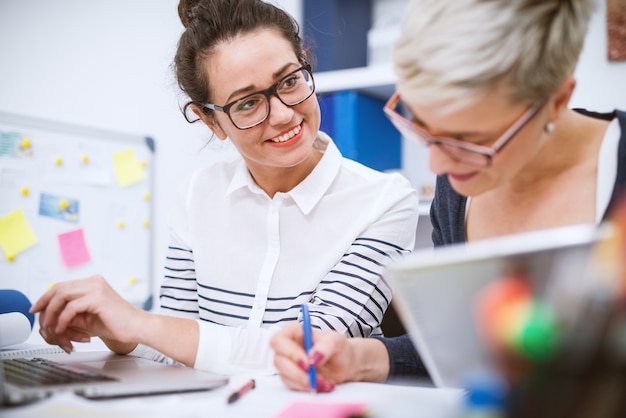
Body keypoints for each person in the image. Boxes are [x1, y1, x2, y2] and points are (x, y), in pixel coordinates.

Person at [30, 0, 419, 376]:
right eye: (248, 104)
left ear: (305, 63)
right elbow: (172, 350)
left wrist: (141, 324)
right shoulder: (197, 194)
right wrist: (119, 333)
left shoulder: (384, 202)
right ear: (211, 121)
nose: (283, 114)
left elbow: (309, 354)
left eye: (289, 81)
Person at [270, 0, 626, 392]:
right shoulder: (459, 186)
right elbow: (464, 347)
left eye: (469, 141)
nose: (438, 165)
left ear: (557, 101)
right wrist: (356, 357)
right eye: (423, 127)